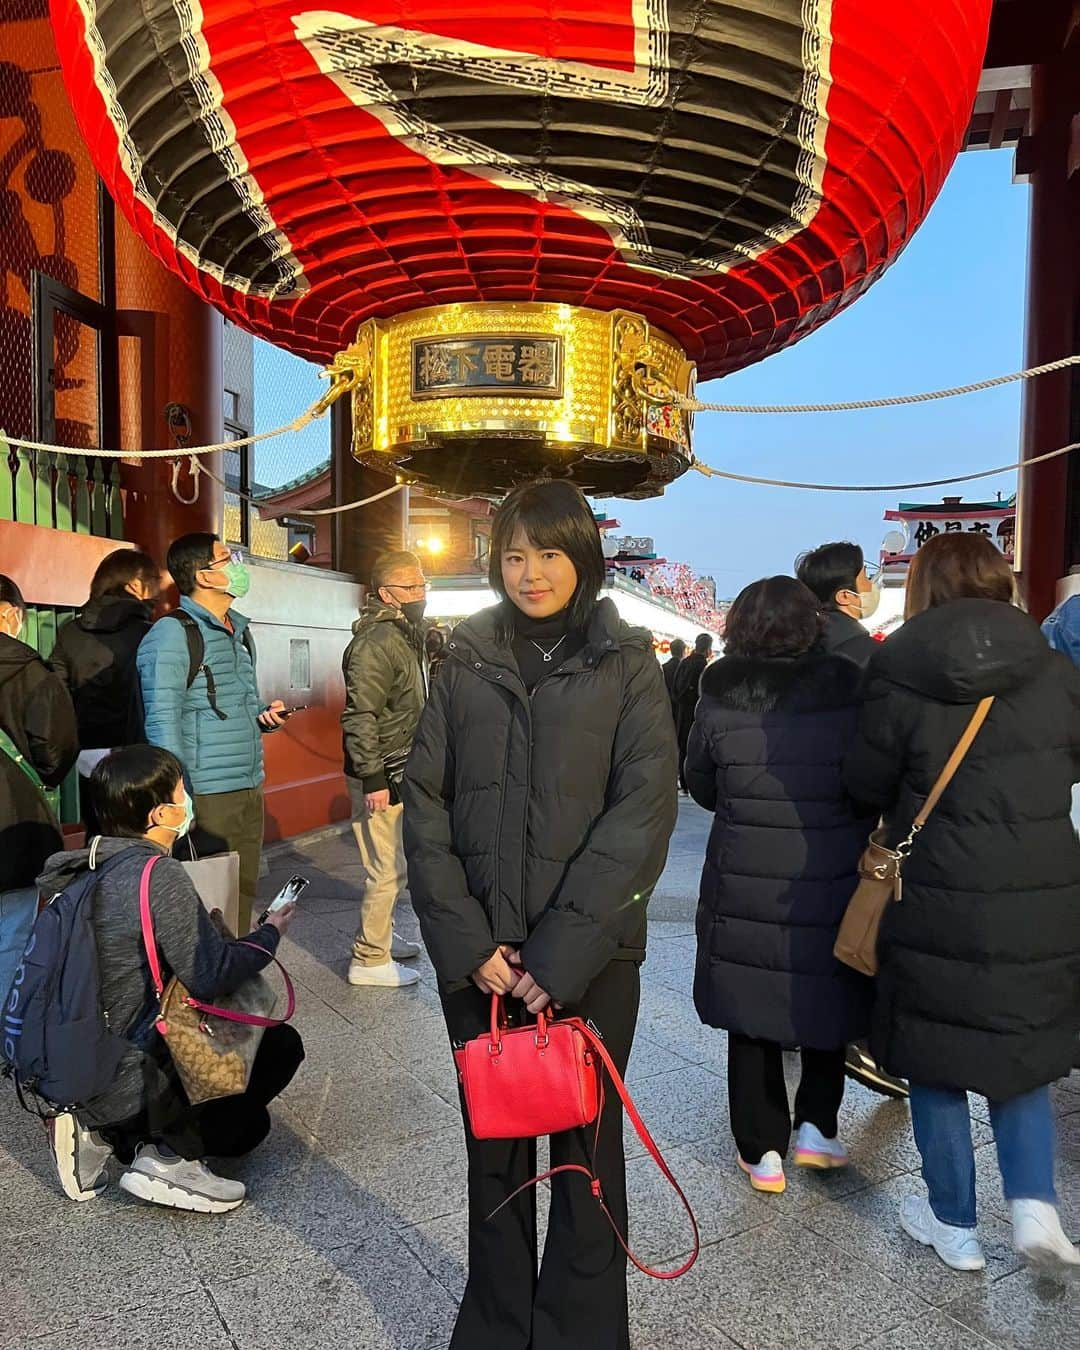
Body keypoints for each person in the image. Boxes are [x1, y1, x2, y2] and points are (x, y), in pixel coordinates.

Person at [403, 479, 677, 1350]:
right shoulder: (460, 663)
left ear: (584, 559)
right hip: (480, 961)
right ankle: (493, 1328)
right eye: (514, 555)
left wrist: (553, 959)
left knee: (586, 1159)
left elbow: (641, 818)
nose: (531, 573)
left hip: (591, 961)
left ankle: (583, 1334)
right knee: (495, 1152)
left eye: (550, 553)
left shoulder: (630, 667)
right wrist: (470, 943)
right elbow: (426, 807)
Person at [844, 532, 1080, 1272]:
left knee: (936, 1058)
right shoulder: (1052, 668)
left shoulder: (896, 666)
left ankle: (954, 1227)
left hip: (935, 887)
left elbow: (864, 781)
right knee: (1022, 1047)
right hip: (1039, 888)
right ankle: (1036, 1208)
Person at [39, 744, 303, 1213]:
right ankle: (169, 1158)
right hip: (139, 1065)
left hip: (83, 1058)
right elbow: (209, 975)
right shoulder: (157, 874)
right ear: (162, 812)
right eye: (185, 793)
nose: (189, 804)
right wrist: (269, 935)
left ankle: (98, 1127)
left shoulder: (84, 867)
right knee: (272, 1067)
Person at [684, 576, 874, 1195]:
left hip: (745, 871)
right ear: (812, 623)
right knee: (828, 995)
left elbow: (702, 782)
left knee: (750, 1006)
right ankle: (817, 1126)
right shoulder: (845, 685)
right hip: (829, 866)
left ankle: (761, 1149)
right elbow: (868, 778)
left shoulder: (718, 687)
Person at [136, 534, 286, 933]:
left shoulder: (238, 631)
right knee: (205, 898)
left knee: (242, 889)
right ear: (203, 575)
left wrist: (262, 716)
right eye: (227, 558)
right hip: (204, 792)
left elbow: (236, 703)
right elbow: (162, 720)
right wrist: (178, 795)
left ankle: (232, 971)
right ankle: (197, 984)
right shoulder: (171, 634)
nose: (238, 566)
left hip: (248, 782)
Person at [341, 549, 428, 988]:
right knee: (386, 869)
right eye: (410, 586)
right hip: (383, 770)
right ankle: (369, 958)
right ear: (385, 594)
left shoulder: (403, 634)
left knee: (394, 865)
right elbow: (361, 715)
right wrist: (373, 776)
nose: (420, 593)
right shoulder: (377, 642)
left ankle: (383, 935)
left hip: (398, 766)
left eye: (422, 584)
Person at [0, 576, 79, 1001]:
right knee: (10, 938)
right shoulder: (31, 673)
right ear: (9, 613)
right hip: (14, 824)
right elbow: (57, 747)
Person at [50, 548, 161, 836]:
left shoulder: (69, 631)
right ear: (136, 585)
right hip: (140, 754)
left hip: (88, 756)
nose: (158, 588)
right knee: (142, 836)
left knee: (98, 835)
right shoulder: (151, 633)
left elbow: (57, 694)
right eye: (154, 580)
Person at [796, 541, 879, 668]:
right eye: (865, 577)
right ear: (844, 596)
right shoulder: (874, 655)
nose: (871, 584)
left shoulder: (799, 652)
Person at [672, 632, 712, 792]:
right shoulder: (703, 666)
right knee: (695, 748)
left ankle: (683, 781)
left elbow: (675, 689)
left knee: (682, 747)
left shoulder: (684, 662)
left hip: (681, 712)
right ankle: (691, 782)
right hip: (695, 713)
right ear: (708, 648)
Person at [661, 637, 687, 718]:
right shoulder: (685, 668)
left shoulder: (663, 667)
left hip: (664, 705)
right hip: (678, 708)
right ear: (683, 651)